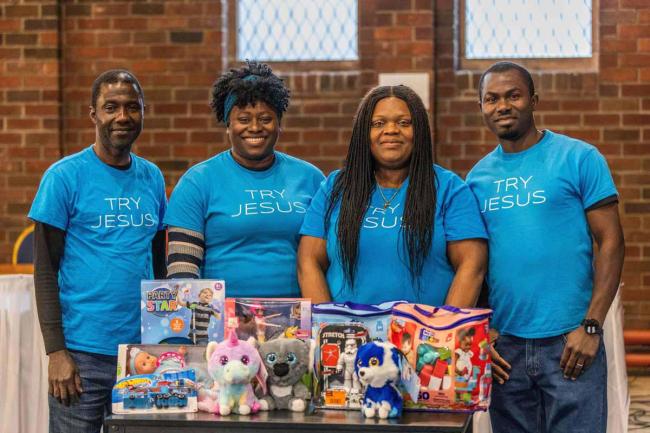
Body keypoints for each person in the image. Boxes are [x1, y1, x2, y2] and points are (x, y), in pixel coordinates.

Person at [466, 61, 625, 433]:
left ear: (534, 100)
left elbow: (612, 242)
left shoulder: (579, 158)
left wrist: (591, 327)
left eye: (513, 95)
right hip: (506, 348)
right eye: (491, 99)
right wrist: (481, 334)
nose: (502, 105)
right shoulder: (476, 179)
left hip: (570, 343)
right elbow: (476, 264)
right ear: (481, 107)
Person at [28, 69, 167, 432]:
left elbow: (159, 264)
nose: (123, 117)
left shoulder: (152, 177)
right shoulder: (64, 177)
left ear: (143, 112)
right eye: (111, 107)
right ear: (94, 114)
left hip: (142, 353)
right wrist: (56, 353)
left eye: (132, 107)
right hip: (81, 355)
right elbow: (44, 272)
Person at [298, 85, 488, 307]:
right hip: (348, 335)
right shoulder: (335, 187)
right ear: (363, 133)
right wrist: (328, 325)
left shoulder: (450, 189)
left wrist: (443, 330)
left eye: (404, 123)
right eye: (378, 123)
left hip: (423, 336)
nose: (391, 130)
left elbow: (472, 265)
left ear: (420, 131)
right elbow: (308, 261)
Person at [164, 61, 324, 297]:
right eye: (244, 119)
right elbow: (182, 269)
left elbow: (324, 261)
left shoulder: (310, 178)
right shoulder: (198, 182)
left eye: (265, 118)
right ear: (228, 124)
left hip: (296, 320)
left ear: (279, 124)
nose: (255, 127)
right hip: (221, 323)